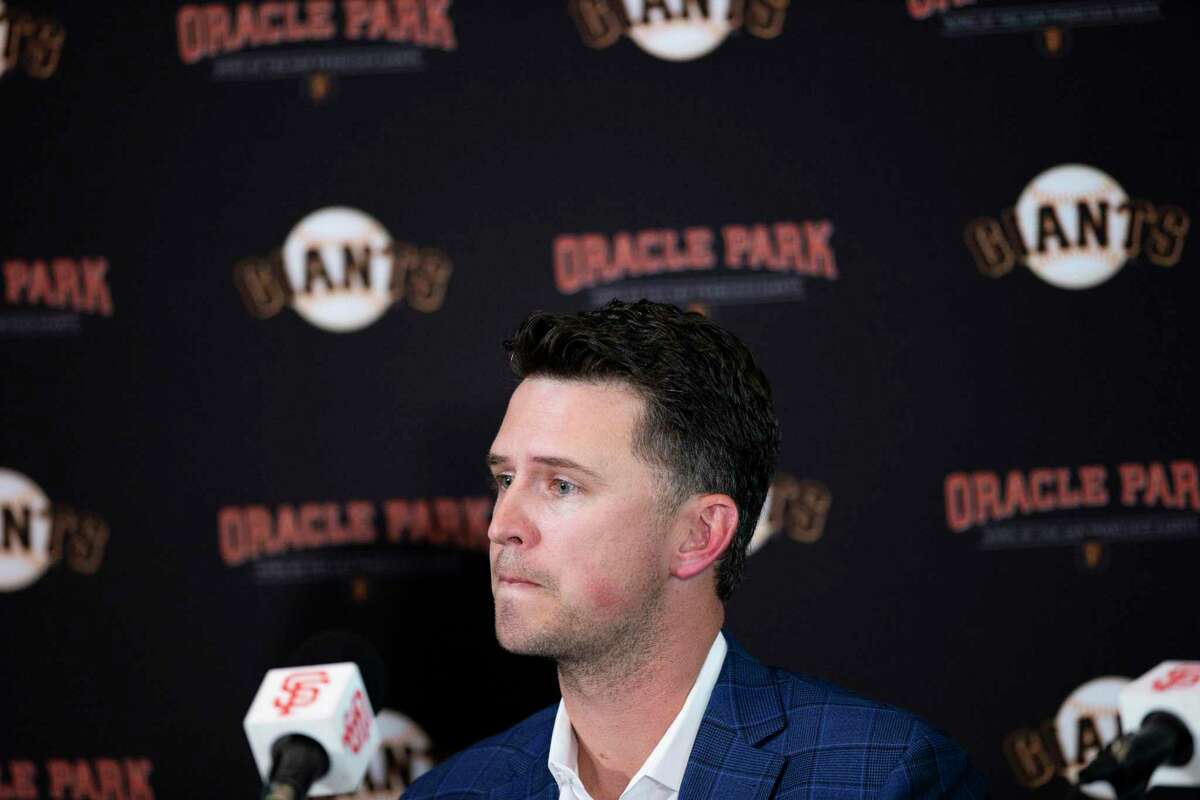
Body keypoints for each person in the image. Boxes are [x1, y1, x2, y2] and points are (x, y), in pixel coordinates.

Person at [404, 300, 985, 800]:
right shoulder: (453, 790)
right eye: (505, 480)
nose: (502, 525)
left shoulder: (883, 778)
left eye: (562, 485)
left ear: (699, 535)